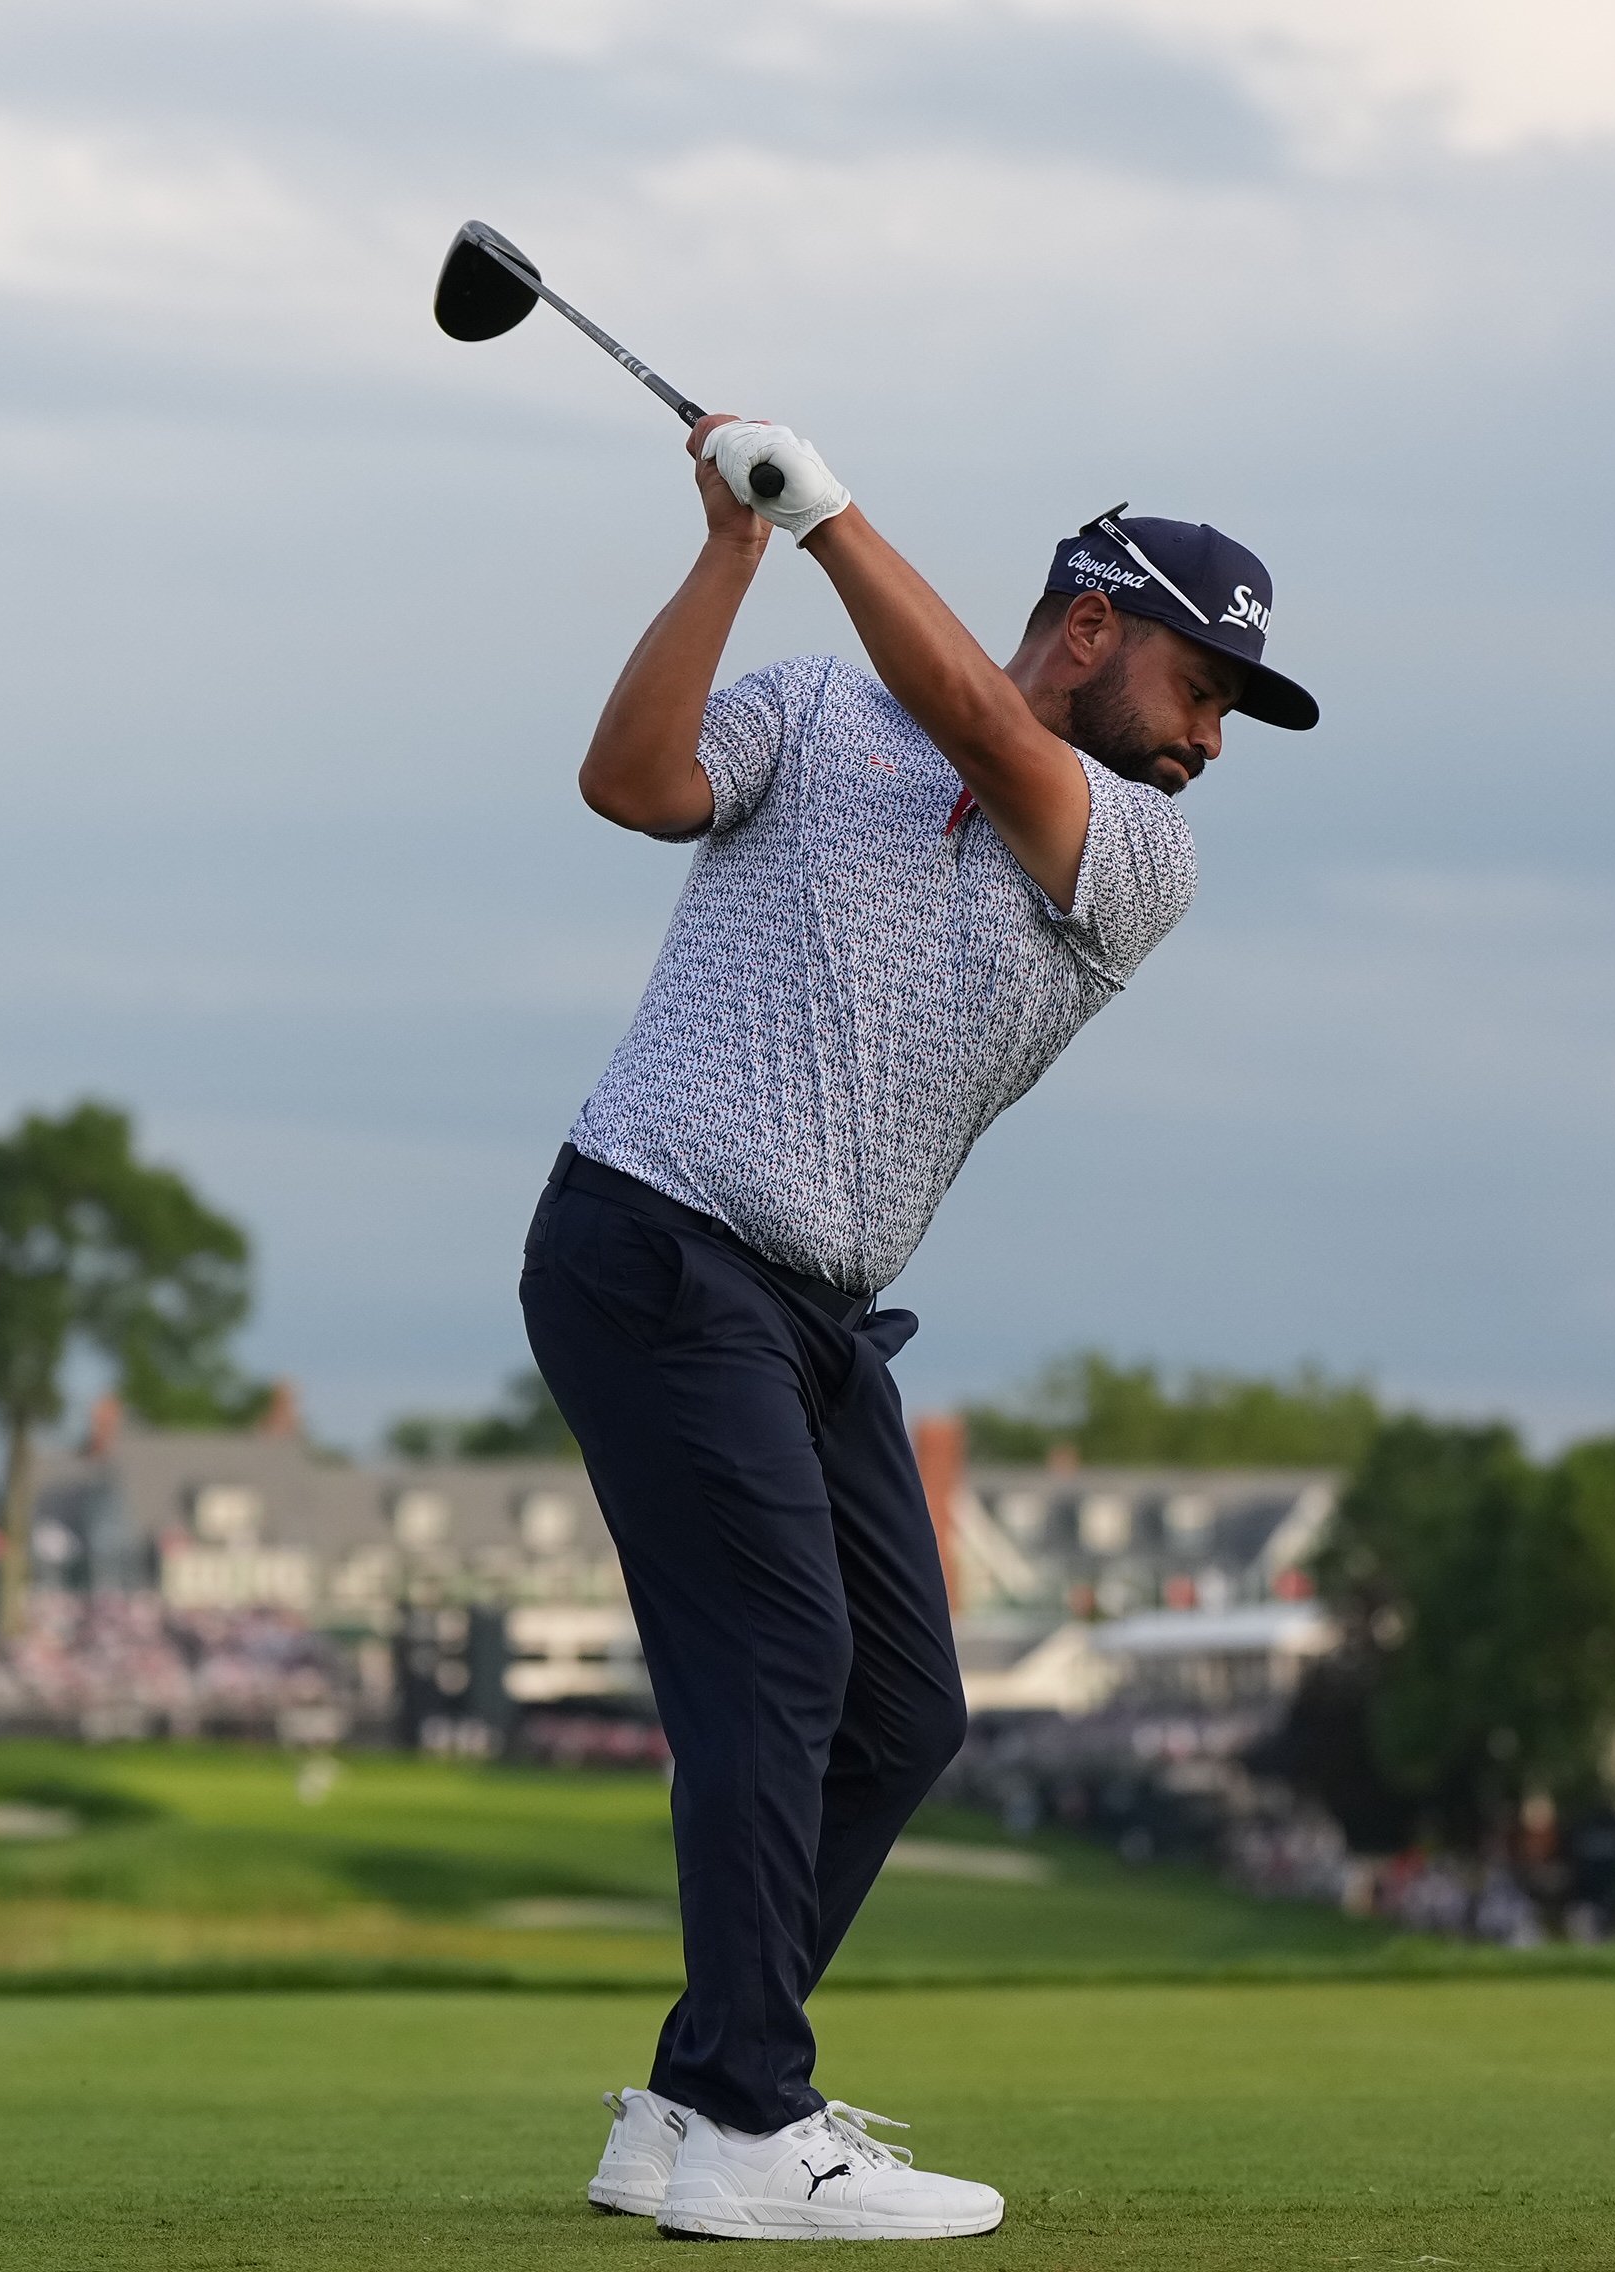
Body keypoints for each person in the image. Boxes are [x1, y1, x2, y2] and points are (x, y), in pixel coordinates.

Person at [531, 407, 1315, 2240]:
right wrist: (734, 549)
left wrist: (827, 512)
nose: (1209, 745)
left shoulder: (1134, 856)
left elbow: (975, 713)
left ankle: (691, 2100)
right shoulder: (815, 709)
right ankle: (747, 2115)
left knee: (903, 1708)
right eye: (1206, 692)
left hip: (813, 1313)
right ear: (1099, 622)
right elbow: (631, 785)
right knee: (785, 1669)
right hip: (653, 1239)